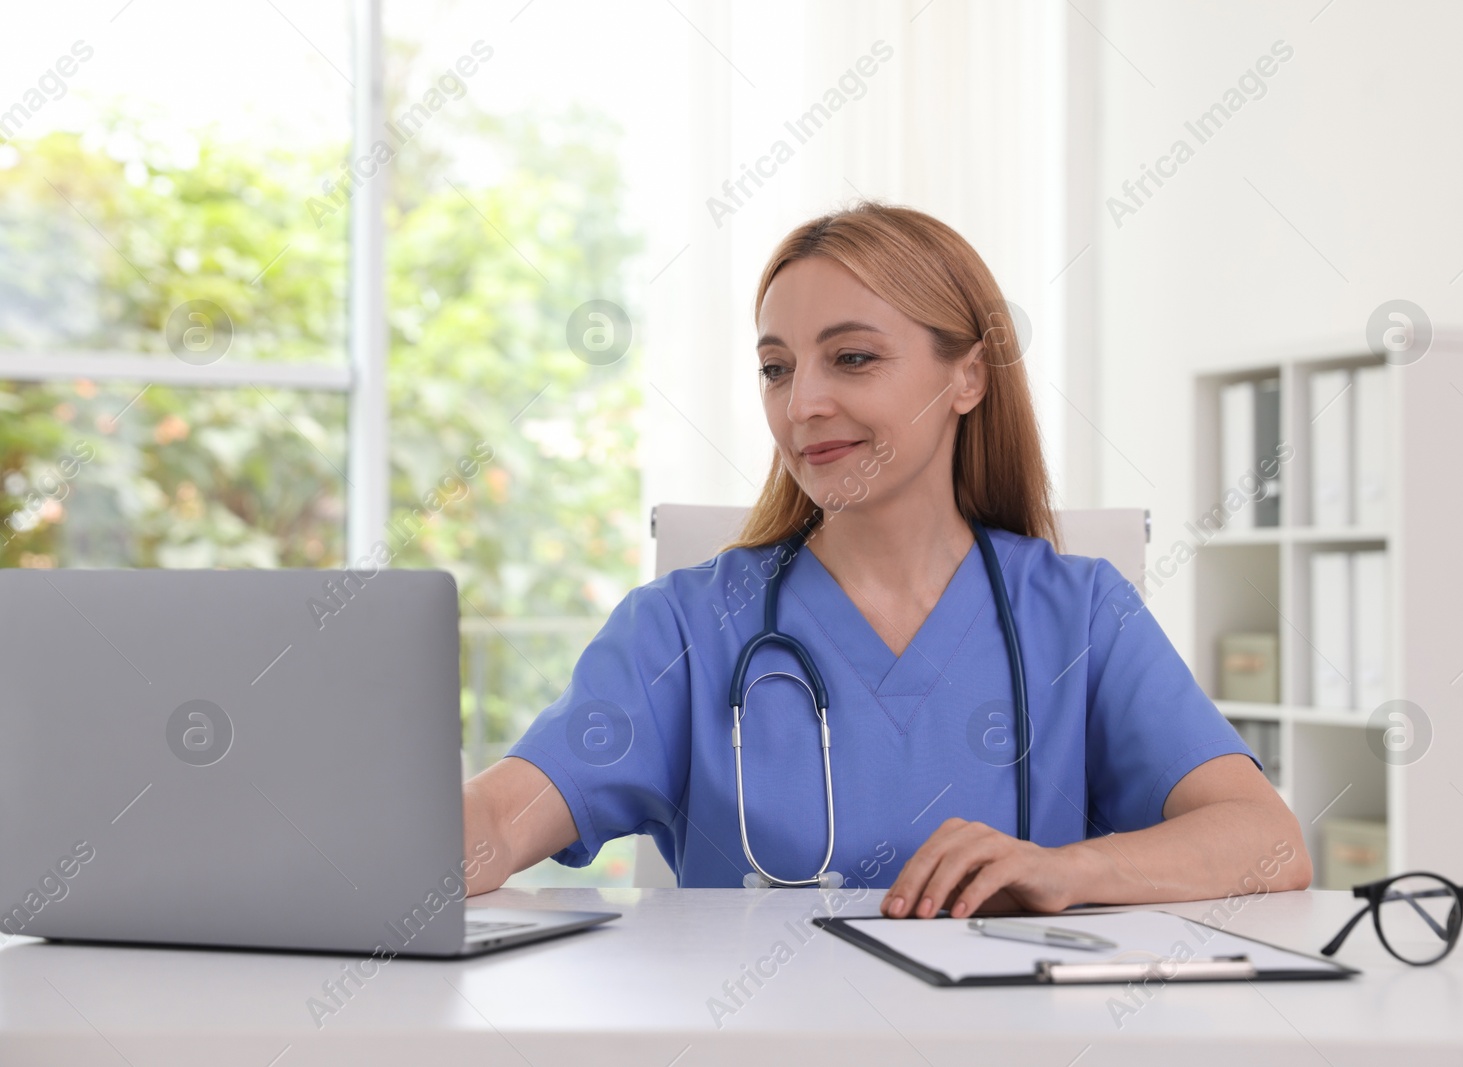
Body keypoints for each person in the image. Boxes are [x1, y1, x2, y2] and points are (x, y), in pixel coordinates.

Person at [463, 201, 1310, 918]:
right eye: (775, 368)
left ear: (968, 377)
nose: (803, 405)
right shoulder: (684, 627)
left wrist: (1071, 870)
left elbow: (1267, 840)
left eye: (853, 358)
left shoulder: (1080, 613)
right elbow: (501, 819)